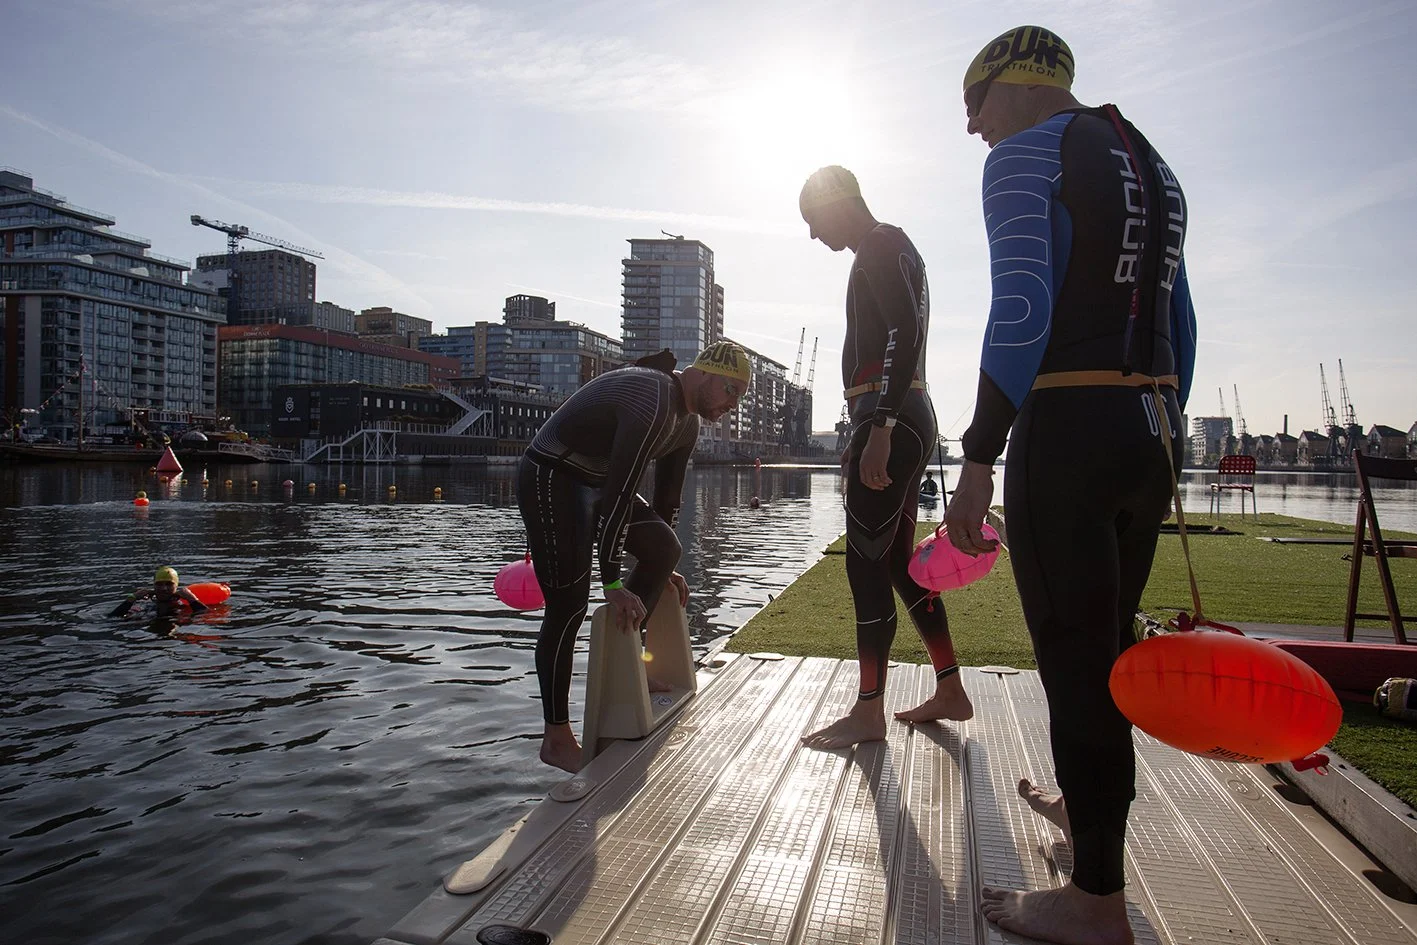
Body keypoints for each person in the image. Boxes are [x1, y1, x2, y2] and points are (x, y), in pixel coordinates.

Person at [945, 25, 1197, 945]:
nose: (970, 128)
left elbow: (1019, 306)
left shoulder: (1025, 152)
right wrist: (1157, 428)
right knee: (1108, 653)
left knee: (1074, 661)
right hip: (1148, 428)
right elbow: (1179, 314)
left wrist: (977, 460)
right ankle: (1079, 808)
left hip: (1069, 428)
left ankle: (1095, 902)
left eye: (970, 105)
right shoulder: (1146, 157)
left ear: (1009, 86)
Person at [798, 166, 972, 751]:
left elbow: (904, 330)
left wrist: (881, 425)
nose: (814, 237)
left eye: (814, 220)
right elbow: (907, 331)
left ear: (837, 202)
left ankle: (869, 711)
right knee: (897, 566)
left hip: (889, 417)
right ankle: (950, 688)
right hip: (898, 413)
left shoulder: (879, 244)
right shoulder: (891, 247)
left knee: (864, 567)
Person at [520, 342, 748, 773]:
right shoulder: (654, 398)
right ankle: (556, 736)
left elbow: (666, 503)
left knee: (666, 548)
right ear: (702, 373)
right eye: (730, 390)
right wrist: (612, 584)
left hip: (598, 484)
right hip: (553, 475)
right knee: (569, 606)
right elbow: (621, 494)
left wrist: (663, 570)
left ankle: (633, 670)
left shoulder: (687, 425)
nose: (732, 404)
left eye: (740, 396)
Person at [110, 566, 210, 618]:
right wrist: (131, 598)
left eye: (169, 584)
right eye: (159, 584)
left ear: (176, 586)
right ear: (154, 585)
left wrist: (192, 599)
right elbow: (112, 618)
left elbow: (206, 616)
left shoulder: (182, 607)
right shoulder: (144, 606)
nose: (164, 588)